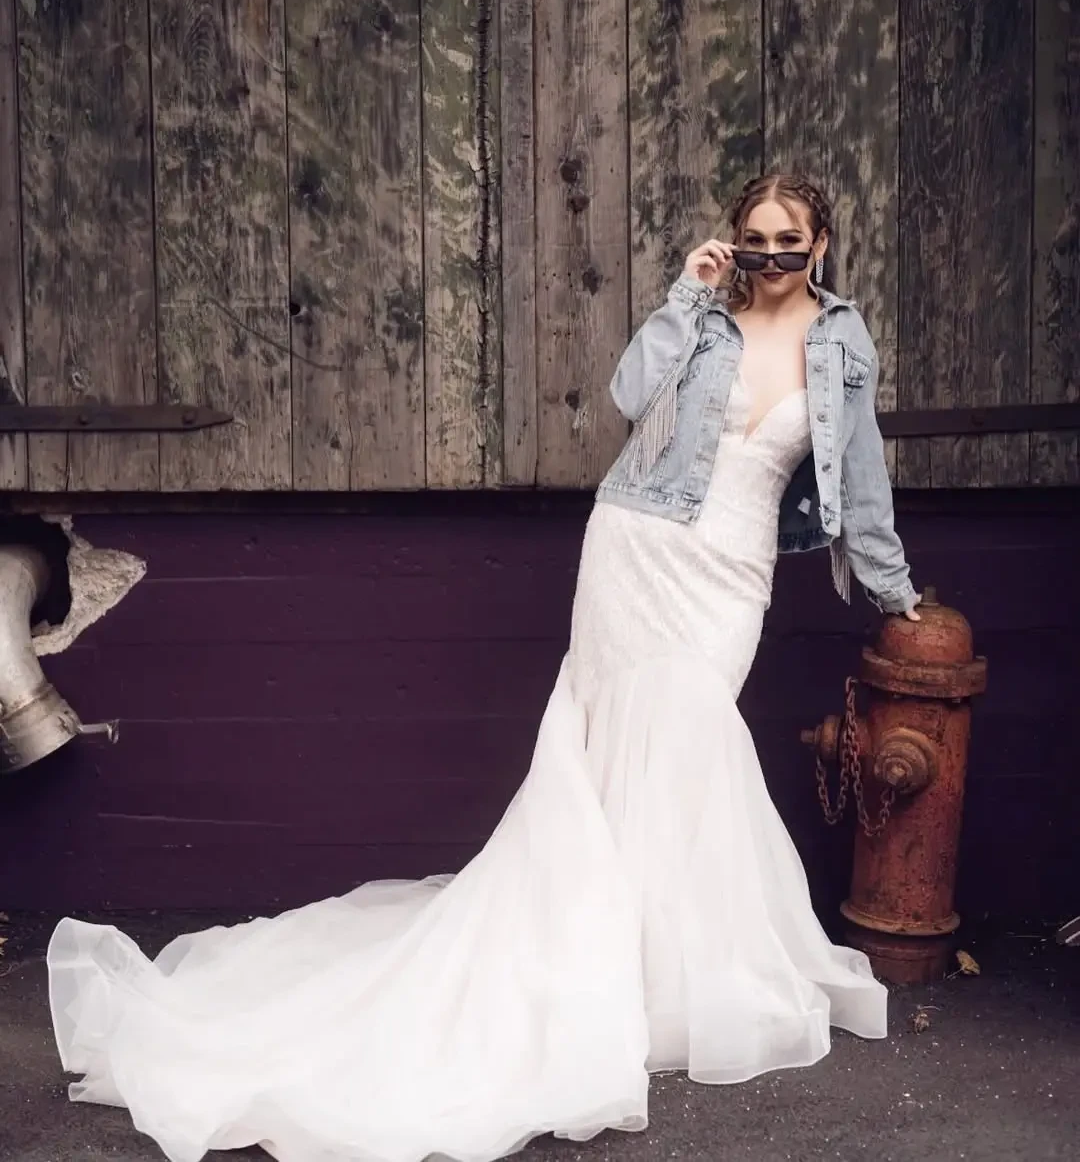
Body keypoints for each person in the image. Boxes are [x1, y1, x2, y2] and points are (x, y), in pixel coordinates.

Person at [46, 172, 921, 1162]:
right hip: (638, 547)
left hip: (731, 570)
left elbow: (865, 477)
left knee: (686, 739)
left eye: (786, 246)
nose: (768, 260)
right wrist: (684, 291)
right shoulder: (706, 319)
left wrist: (897, 592)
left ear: (821, 248)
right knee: (625, 741)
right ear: (734, 244)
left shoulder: (842, 343)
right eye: (753, 242)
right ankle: (616, 960)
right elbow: (631, 395)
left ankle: (671, 961)